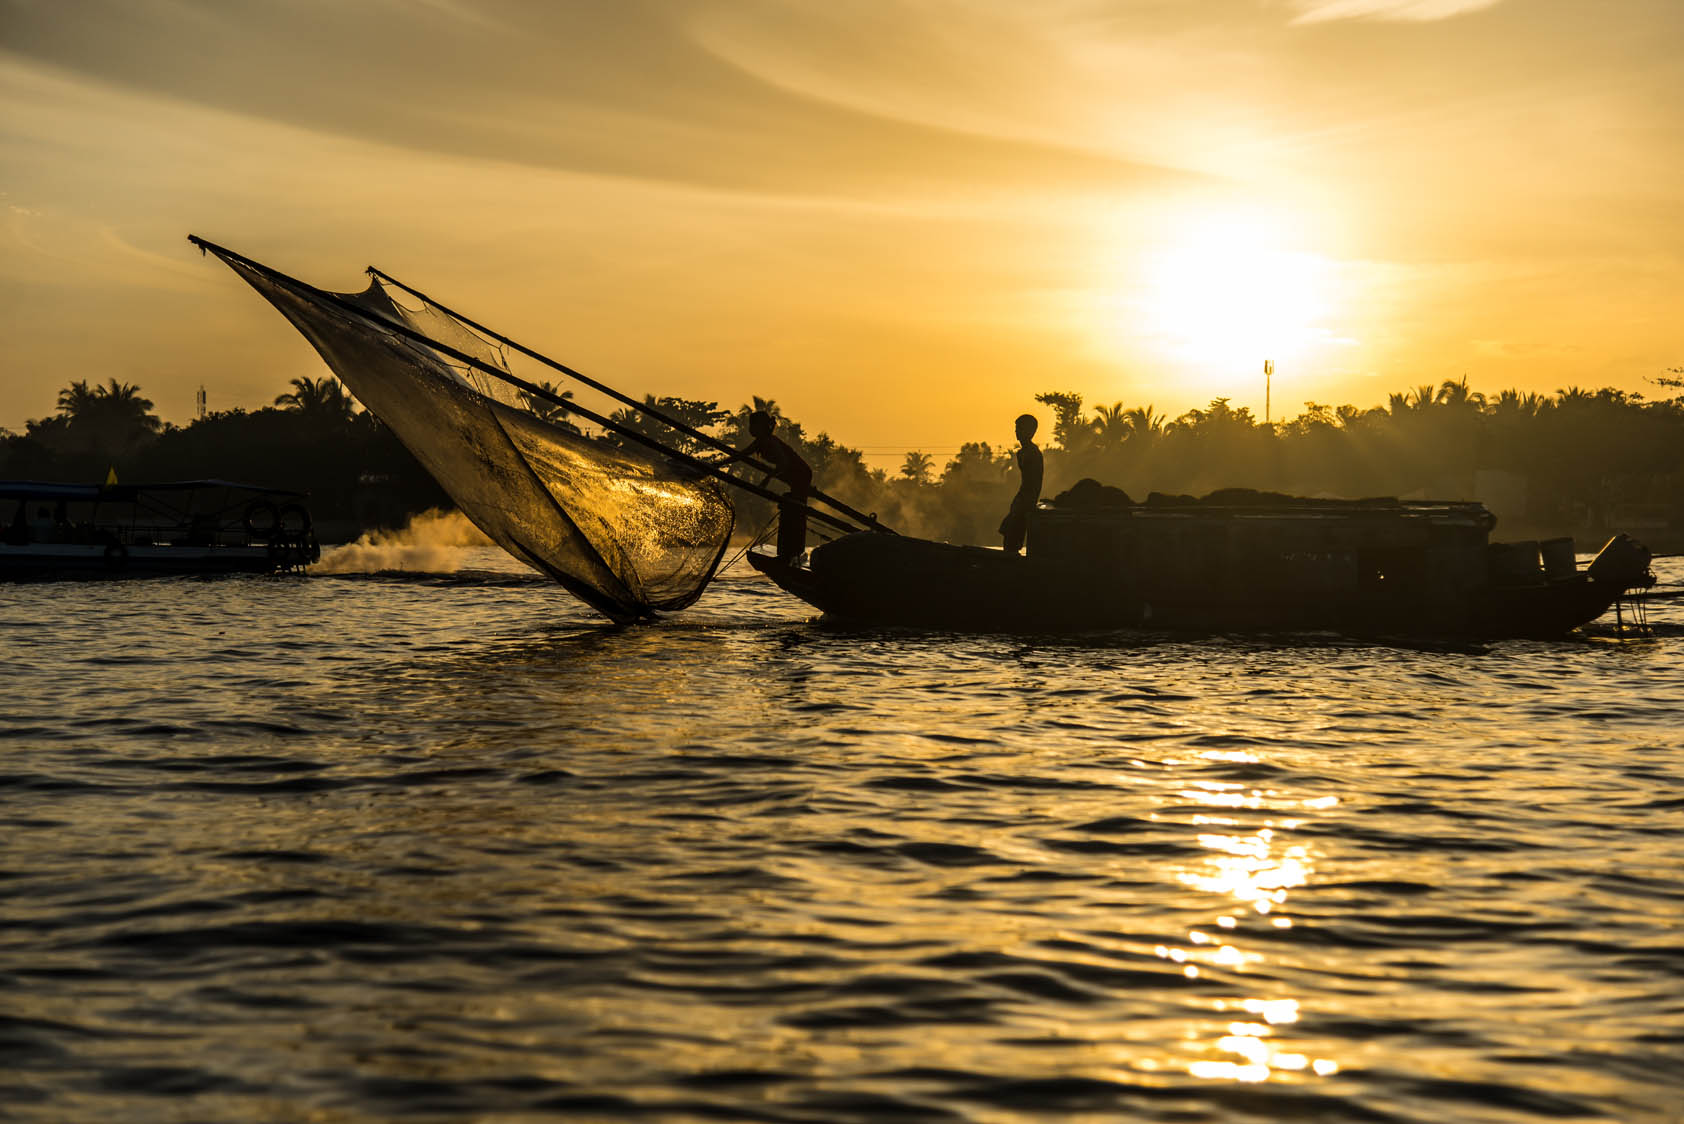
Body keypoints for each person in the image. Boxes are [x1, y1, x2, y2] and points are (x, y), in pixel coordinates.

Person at [717, 410, 813, 563]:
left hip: (800, 474)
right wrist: (718, 464)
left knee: (796, 510)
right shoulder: (759, 442)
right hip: (793, 477)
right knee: (793, 508)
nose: (750, 429)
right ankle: (790, 552)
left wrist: (766, 480)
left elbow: (784, 463)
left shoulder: (769, 442)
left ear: (760, 427)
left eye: (752, 425)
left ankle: (792, 553)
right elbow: (740, 456)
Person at [999, 413, 1042, 555]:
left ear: (1030, 431)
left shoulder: (1033, 453)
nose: (1016, 432)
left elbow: (1034, 483)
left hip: (1027, 499)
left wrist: (1026, 502)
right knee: (1007, 530)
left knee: (1012, 532)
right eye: (1016, 428)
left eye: (1020, 428)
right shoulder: (1022, 453)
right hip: (1022, 497)